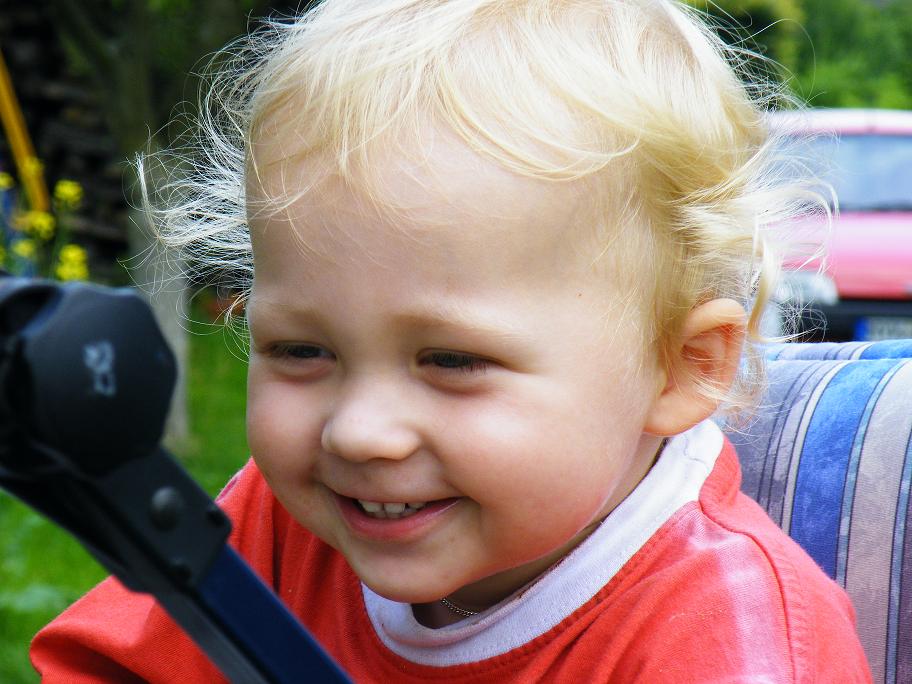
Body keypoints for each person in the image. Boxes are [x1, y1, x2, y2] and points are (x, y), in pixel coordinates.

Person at [31, 0, 872, 681]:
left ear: (681, 367)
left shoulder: (725, 633)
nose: (357, 431)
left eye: (451, 361)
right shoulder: (288, 520)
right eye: (301, 350)